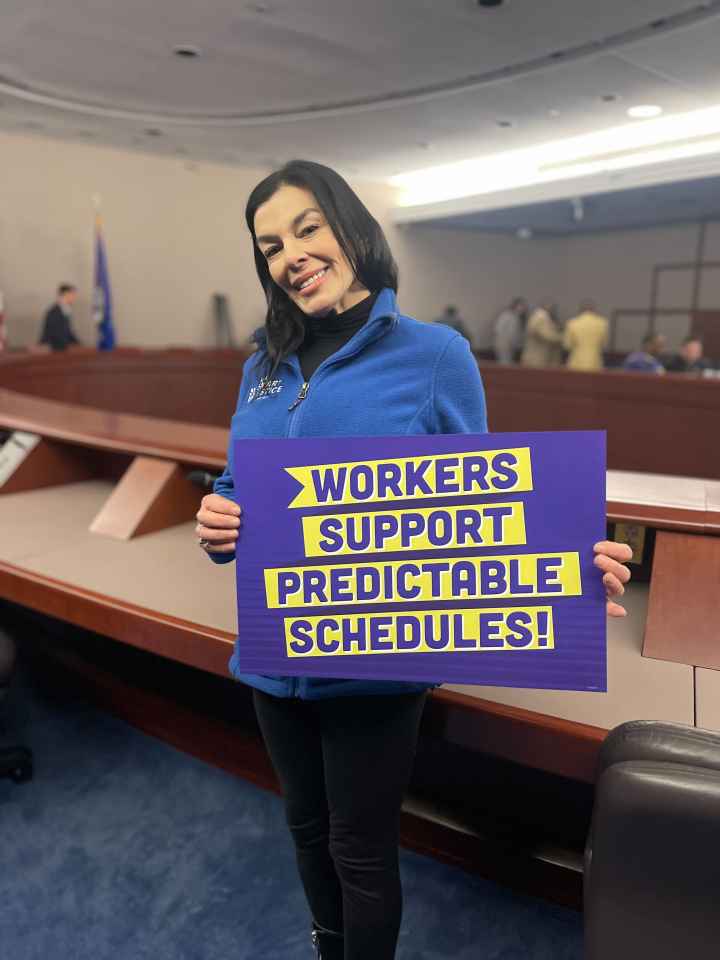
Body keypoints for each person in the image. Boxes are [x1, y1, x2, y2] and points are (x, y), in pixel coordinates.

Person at [193, 160, 632, 960]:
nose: (289, 254)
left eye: (306, 228)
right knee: (304, 829)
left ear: (350, 228)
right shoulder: (261, 366)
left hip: (375, 663)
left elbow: (489, 503)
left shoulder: (434, 353)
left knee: (359, 848)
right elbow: (236, 485)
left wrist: (573, 561)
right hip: (273, 658)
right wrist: (217, 518)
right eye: (269, 245)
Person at [563, 300, 608, 371]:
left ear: (580, 310)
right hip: (595, 361)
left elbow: (567, 345)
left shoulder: (572, 323)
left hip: (576, 361)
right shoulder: (602, 323)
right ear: (594, 310)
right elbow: (604, 344)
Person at [38, 283, 81, 351]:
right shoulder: (53, 312)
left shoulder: (66, 309)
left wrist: (79, 344)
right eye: (73, 295)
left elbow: (68, 332)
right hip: (53, 351)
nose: (74, 297)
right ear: (66, 294)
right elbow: (54, 334)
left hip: (62, 349)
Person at [520, 300, 563, 367]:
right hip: (536, 357)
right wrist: (561, 338)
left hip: (536, 355)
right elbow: (547, 336)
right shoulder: (541, 317)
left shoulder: (538, 316)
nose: (554, 311)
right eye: (552, 308)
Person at [493, 296, 527, 364]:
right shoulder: (506, 315)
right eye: (521, 306)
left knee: (509, 363)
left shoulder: (517, 318)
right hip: (503, 344)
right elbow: (497, 329)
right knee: (504, 363)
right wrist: (505, 341)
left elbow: (516, 333)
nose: (523, 309)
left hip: (512, 346)